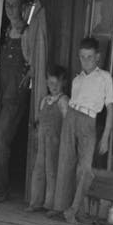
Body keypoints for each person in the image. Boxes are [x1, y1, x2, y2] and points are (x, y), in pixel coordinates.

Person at [51, 38, 113, 224]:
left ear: (97, 57)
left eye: (90, 57)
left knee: (85, 169)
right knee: (66, 162)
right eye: (82, 57)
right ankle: (63, 208)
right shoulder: (77, 80)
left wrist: (105, 137)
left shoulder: (104, 77)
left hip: (89, 121)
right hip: (72, 116)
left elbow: (110, 108)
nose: (86, 61)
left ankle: (73, 209)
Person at [0, 0, 31, 202]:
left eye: (14, 5)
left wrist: (26, 79)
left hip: (15, 93)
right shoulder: (5, 30)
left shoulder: (27, 32)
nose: (10, 9)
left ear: (23, 8)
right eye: (7, 4)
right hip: (0, 89)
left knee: (0, 138)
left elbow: (33, 61)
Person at [28, 65, 69, 213]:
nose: (54, 87)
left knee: (52, 171)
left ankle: (50, 204)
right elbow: (39, 120)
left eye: (57, 83)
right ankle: (35, 202)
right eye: (51, 83)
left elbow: (66, 123)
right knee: (38, 170)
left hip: (55, 142)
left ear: (63, 83)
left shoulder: (63, 101)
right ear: (46, 83)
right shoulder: (44, 100)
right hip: (42, 140)